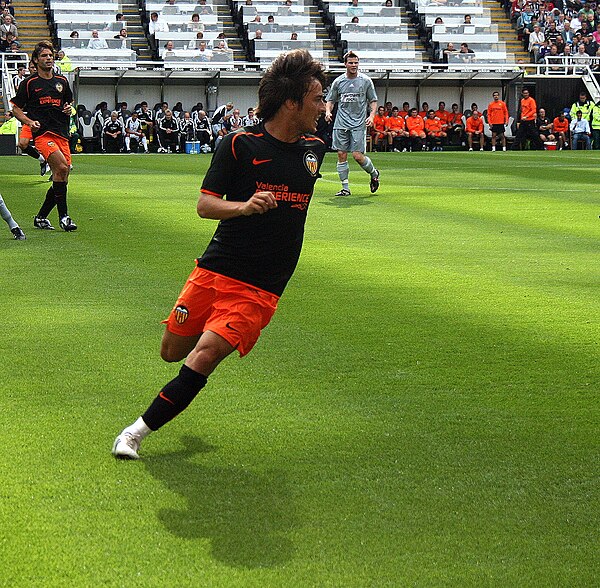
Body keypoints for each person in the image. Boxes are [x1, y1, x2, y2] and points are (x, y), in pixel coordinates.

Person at [112, 49, 328, 460]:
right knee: (171, 351)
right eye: (317, 98)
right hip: (215, 270)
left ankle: (133, 433)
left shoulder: (316, 146)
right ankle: (198, 343)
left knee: (205, 353)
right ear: (291, 102)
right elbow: (205, 204)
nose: (323, 107)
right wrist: (244, 206)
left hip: (261, 287)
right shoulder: (238, 145)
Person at [11, 41, 77, 232]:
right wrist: (29, 122)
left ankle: (40, 217)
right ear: (36, 60)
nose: (48, 58)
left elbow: (69, 104)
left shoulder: (62, 81)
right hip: (43, 134)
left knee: (61, 176)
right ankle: (64, 217)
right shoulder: (29, 83)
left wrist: (68, 108)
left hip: (61, 133)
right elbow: (15, 109)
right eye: (44, 56)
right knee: (62, 168)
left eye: (50, 55)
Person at [325, 51, 379, 196]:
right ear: (345, 64)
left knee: (357, 156)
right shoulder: (338, 82)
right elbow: (330, 100)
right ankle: (345, 188)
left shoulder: (366, 81)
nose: (354, 65)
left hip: (358, 124)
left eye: (356, 63)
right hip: (341, 122)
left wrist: (372, 116)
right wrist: (328, 112)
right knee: (341, 154)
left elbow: (373, 100)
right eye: (351, 63)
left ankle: (374, 174)